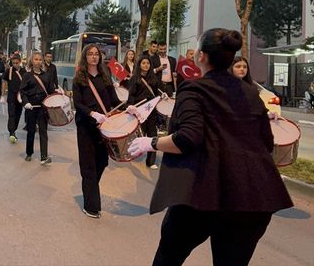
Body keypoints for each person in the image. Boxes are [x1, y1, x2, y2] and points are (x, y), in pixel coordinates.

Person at [128, 28, 293, 266]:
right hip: (253, 197)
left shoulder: (194, 89)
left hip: (204, 193)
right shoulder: (249, 92)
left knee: (168, 257)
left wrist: (150, 142)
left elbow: (187, 138)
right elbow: (267, 142)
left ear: (202, 56)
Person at [73, 44, 121, 218]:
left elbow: (114, 99)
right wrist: (92, 113)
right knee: (88, 166)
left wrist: (127, 108)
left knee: (102, 162)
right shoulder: (79, 77)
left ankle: (90, 189)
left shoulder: (105, 75)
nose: (94, 57)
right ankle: (91, 205)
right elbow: (77, 103)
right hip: (86, 126)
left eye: (96, 54)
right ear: (85, 57)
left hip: (104, 127)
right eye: (90, 54)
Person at [19, 51, 56, 164]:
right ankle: (29, 153)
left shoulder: (46, 75)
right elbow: (22, 91)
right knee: (31, 130)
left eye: (40, 60)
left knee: (43, 131)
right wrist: (25, 103)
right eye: (36, 59)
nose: (38, 61)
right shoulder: (27, 76)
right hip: (31, 107)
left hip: (43, 107)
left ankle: (44, 156)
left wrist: (57, 93)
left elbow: (50, 91)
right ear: (31, 61)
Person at [127, 55, 161, 169]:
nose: (146, 65)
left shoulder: (154, 78)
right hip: (139, 110)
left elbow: (156, 93)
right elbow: (131, 95)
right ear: (139, 65)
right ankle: (132, 152)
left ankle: (151, 161)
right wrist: (131, 106)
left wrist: (163, 96)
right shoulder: (134, 78)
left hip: (151, 110)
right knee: (140, 133)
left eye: (148, 63)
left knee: (152, 135)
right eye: (143, 63)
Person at [3, 54, 26, 143]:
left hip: (20, 98)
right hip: (11, 96)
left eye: (17, 63)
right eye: (13, 63)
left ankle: (14, 129)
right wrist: (3, 94)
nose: (15, 64)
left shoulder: (24, 72)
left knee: (18, 115)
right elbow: (4, 81)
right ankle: (11, 132)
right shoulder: (9, 70)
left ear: (20, 62)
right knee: (11, 115)